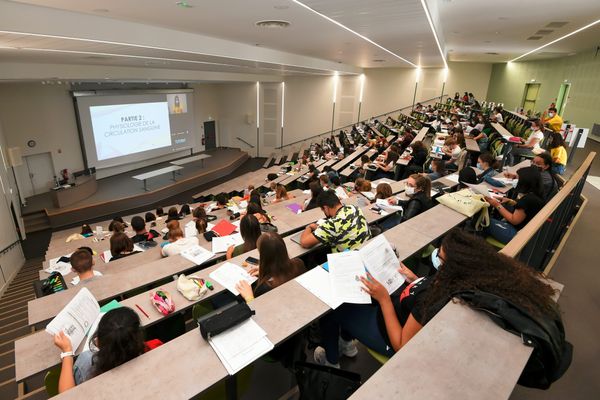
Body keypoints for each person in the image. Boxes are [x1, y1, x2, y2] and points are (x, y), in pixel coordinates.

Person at [314, 228, 560, 367]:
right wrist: (413, 279)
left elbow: (401, 345)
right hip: (400, 306)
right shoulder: (457, 280)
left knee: (333, 309)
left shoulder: (434, 298)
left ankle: (332, 360)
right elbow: (428, 286)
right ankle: (346, 344)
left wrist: (384, 300)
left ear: (453, 267)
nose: (437, 260)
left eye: (440, 258)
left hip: (388, 332)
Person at [52, 307, 162, 392]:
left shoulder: (89, 363)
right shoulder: (154, 348)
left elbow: (66, 395)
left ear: (98, 341)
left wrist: (67, 352)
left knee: (85, 358)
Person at [236, 232, 306, 302]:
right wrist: (265, 269)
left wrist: (249, 297)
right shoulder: (299, 262)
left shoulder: (264, 288)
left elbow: (260, 310)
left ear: (263, 256)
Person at [484, 166, 545, 244]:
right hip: (526, 231)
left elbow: (514, 220)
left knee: (483, 220)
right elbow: (526, 210)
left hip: (516, 235)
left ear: (525, 182)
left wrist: (496, 205)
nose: (516, 180)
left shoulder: (527, 199)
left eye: (518, 179)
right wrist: (510, 201)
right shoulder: (537, 194)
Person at [300, 190, 370, 252]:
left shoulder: (331, 224)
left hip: (346, 260)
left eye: (323, 209)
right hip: (366, 250)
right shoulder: (353, 208)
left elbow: (304, 242)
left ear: (325, 207)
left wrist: (309, 227)